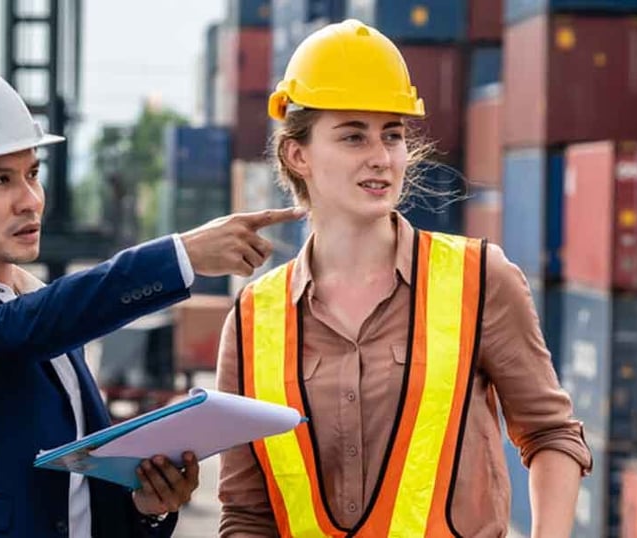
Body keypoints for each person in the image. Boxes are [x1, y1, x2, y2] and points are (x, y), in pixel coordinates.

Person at [0, 63, 304, 538]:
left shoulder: (44, 313)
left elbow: (76, 504)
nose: (31, 200)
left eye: (32, 173)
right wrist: (180, 257)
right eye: (0, 180)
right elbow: (7, 333)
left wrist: (147, 506)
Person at [215, 19, 592, 537]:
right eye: (353, 136)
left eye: (392, 135)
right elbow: (246, 511)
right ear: (296, 154)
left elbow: (552, 436)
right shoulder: (253, 319)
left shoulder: (480, 281)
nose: (381, 157)